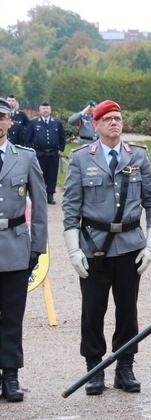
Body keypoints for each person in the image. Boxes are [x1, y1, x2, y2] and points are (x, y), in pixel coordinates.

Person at [61, 99, 151, 396]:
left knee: (127, 309)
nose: (114, 123)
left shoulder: (139, 155)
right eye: (107, 119)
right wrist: (72, 249)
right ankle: (94, 368)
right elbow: (70, 208)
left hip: (131, 244)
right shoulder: (81, 158)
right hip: (93, 245)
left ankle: (124, 365)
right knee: (92, 310)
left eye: (117, 118)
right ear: (95, 125)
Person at [0, 97, 47, 403]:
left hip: (15, 245)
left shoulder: (26, 157)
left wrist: (37, 247)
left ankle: (11, 376)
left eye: (2, 118)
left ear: (9, 122)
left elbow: (40, 206)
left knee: (12, 317)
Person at [25, 101, 66, 205]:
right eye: (43, 108)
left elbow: (62, 137)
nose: (46, 110)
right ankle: (40, 195)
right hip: (38, 152)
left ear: (50, 110)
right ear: (40, 110)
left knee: (52, 174)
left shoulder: (57, 123)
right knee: (40, 174)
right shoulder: (33, 123)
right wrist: (30, 151)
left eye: (47, 108)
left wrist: (61, 148)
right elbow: (28, 139)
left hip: (53, 152)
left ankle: (50, 194)